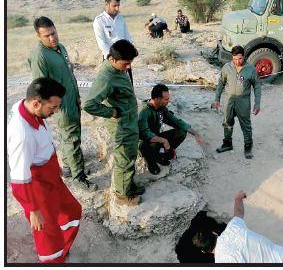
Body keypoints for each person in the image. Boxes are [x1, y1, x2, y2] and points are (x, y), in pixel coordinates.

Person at [7, 77, 82, 263]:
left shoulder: (30, 109)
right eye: (52, 108)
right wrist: (33, 209)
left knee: (72, 210)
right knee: (47, 235)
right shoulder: (22, 135)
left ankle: (62, 249)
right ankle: (53, 261)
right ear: (36, 103)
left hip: (51, 178)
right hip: (38, 188)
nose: (55, 112)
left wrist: (55, 168)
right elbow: (18, 179)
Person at [28, 16, 97, 191]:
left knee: (71, 136)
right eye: (47, 36)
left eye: (53, 33)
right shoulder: (40, 56)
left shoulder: (61, 48)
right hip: (61, 106)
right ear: (39, 36)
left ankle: (68, 167)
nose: (52, 38)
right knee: (71, 139)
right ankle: (78, 177)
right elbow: (40, 85)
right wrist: (55, 108)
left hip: (73, 99)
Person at [83, 39, 143, 206]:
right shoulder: (107, 77)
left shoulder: (117, 69)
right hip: (121, 125)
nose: (129, 67)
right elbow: (89, 104)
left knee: (130, 155)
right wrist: (111, 112)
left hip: (129, 121)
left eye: (130, 63)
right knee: (124, 158)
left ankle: (128, 186)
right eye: (126, 63)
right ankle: (123, 196)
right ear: (113, 59)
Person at [192, 190, 283, 263]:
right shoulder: (233, 228)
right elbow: (239, 213)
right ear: (214, 233)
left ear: (204, 252)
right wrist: (238, 199)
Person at [138, 84, 202, 175]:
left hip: (156, 138)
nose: (168, 101)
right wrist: (163, 140)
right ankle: (151, 161)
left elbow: (176, 121)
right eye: (166, 99)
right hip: (144, 143)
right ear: (157, 99)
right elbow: (145, 133)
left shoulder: (161, 109)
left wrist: (195, 134)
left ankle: (161, 156)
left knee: (181, 132)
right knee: (152, 145)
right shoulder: (144, 112)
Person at [214, 45, 261, 159]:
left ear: (243, 56)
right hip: (229, 101)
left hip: (243, 102)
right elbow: (221, 83)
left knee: (246, 125)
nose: (237, 61)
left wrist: (257, 104)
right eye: (234, 59)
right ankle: (227, 144)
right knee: (227, 122)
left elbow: (257, 87)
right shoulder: (226, 67)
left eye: (239, 59)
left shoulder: (250, 69)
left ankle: (248, 147)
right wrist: (217, 98)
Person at [93, 0, 134, 83]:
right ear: (107, 4)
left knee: (126, 87)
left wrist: (126, 58)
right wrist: (116, 59)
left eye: (118, 5)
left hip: (124, 60)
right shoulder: (99, 20)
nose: (117, 8)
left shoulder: (121, 18)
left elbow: (128, 39)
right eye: (114, 6)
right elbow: (102, 44)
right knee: (111, 89)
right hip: (110, 60)